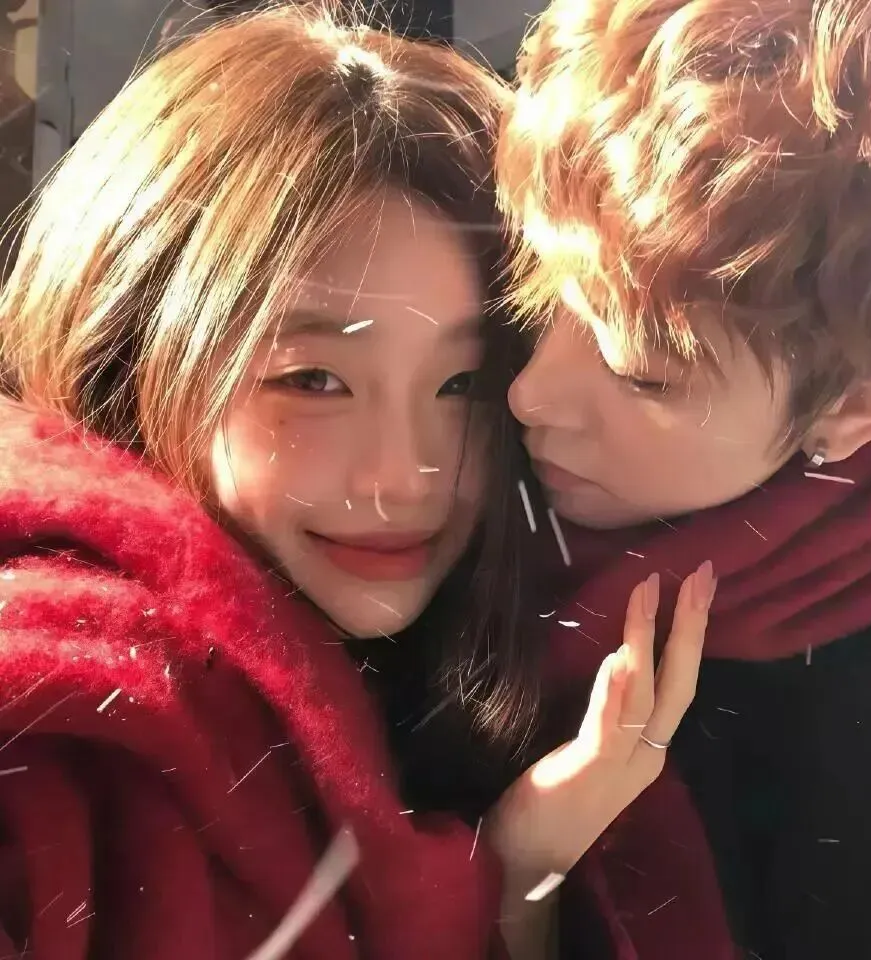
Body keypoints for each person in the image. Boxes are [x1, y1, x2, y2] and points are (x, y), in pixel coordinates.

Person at [0, 5, 713, 959]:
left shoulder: (555, 689)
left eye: (465, 384)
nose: (403, 477)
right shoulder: (58, 725)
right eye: (312, 381)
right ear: (129, 354)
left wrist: (516, 883)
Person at [495, 0, 871, 957]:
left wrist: (518, 883)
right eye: (533, 299)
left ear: (863, 408)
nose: (527, 393)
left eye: (640, 375)